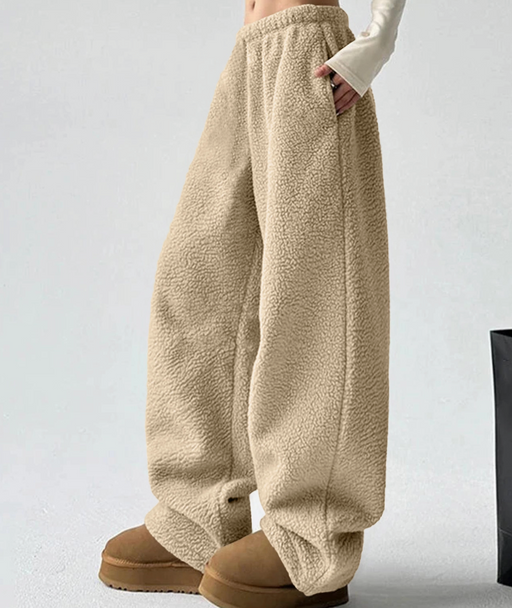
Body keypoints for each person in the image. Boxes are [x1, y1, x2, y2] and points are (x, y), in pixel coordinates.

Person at [98, 0, 407, 606]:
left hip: (312, 59)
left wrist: (378, 40)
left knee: (316, 299)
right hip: (250, 53)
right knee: (198, 276)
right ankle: (197, 518)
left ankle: (312, 536)